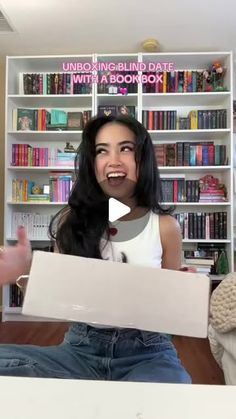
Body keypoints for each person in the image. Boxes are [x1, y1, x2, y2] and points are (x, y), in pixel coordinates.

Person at [0, 114, 191, 383]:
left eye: (126, 148)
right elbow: (55, 300)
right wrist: (24, 271)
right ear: (93, 164)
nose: (114, 160)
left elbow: (172, 315)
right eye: (102, 151)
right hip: (81, 349)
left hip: (148, 353)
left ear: (142, 159)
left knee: (173, 389)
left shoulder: (165, 227)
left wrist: (185, 295)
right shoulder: (72, 222)